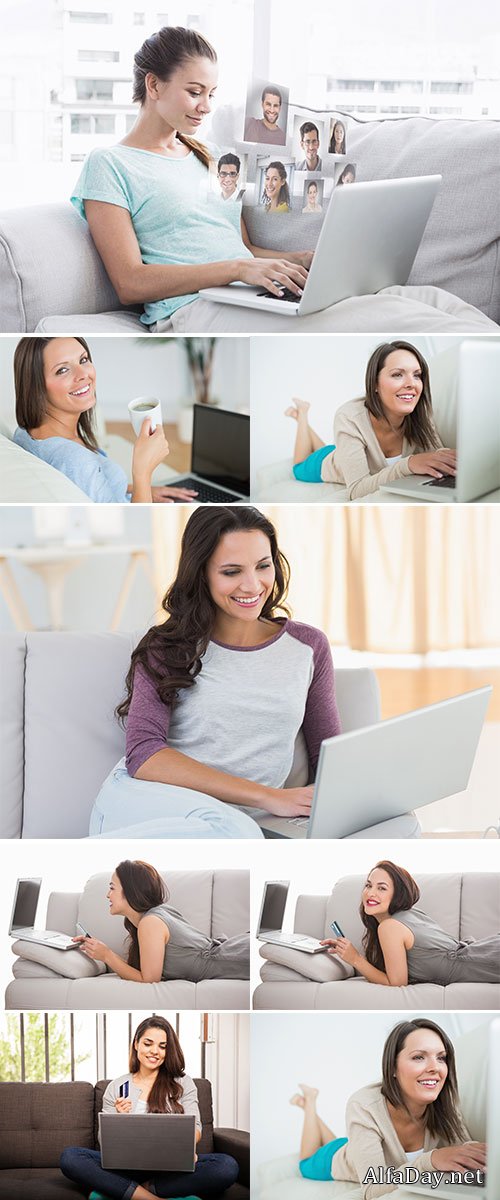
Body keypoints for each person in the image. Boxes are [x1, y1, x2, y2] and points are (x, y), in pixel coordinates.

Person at [69, 25, 496, 333]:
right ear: (153, 85)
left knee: (434, 302)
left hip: (243, 292)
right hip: (192, 310)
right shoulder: (110, 164)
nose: (205, 106)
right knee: (407, 322)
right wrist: (239, 269)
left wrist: (303, 259)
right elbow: (130, 282)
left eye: (212, 95)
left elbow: (245, 247)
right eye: (195, 91)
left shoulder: (212, 157)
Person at [89, 505, 341, 839]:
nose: (252, 585)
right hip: (145, 804)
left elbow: (329, 756)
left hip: (232, 826)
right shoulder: (167, 647)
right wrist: (269, 797)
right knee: (238, 833)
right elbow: (144, 755)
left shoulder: (308, 647)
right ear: (201, 573)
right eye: (231, 572)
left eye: (263, 566)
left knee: (239, 832)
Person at [291, 1019, 486, 1198]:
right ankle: (309, 1103)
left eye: (441, 1058)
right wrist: (430, 1160)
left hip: (355, 1144)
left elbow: (463, 1150)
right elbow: (373, 1187)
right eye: (419, 1057)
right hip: (333, 1159)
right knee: (306, 1161)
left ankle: (310, 1107)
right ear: (392, 1067)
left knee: (340, 1142)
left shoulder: (445, 1102)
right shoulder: (363, 1105)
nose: (435, 1067)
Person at [60, 1015, 239, 1199]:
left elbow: (196, 1128)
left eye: (162, 1046)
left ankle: (134, 1190)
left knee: (226, 1167)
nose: (155, 1051)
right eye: (148, 1043)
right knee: (70, 1157)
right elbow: (104, 1143)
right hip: (125, 1168)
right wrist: (121, 1119)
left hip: (169, 1169)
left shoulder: (183, 1083)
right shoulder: (118, 1086)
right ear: (136, 1044)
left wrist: (185, 1149)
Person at [12, 337, 197, 504]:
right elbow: (130, 522)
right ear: (36, 386)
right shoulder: (76, 460)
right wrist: (143, 473)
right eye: (62, 370)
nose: (83, 374)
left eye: (83, 360)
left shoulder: (26, 433)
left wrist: (137, 489)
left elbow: (83, 485)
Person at [286, 341, 457, 500]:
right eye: (398, 375)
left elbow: (436, 455)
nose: (411, 384)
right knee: (298, 467)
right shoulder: (349, 416)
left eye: (417, 375)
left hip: (342, 450)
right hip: (324, 463)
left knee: (328, 448)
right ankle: (302, 415)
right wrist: (408, 464)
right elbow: (356, 490)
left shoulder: (419, 411)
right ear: (374, 383)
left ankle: (303, 419)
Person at [320, 861, 500, 986]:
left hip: (485, 959)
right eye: (368, 885)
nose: (370, 893)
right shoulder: (408, 915)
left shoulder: (389, 927)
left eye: (381, 888)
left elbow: (396, 983)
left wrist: (355, 959)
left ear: (397, 894)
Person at [73, 859, 249, 981]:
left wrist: (107, 956)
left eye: (112, 888)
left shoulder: (151, 923)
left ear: (131, 890)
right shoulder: (154, 916)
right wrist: (100, 952)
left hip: (236, 957)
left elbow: (149, 979)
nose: (107, 894)